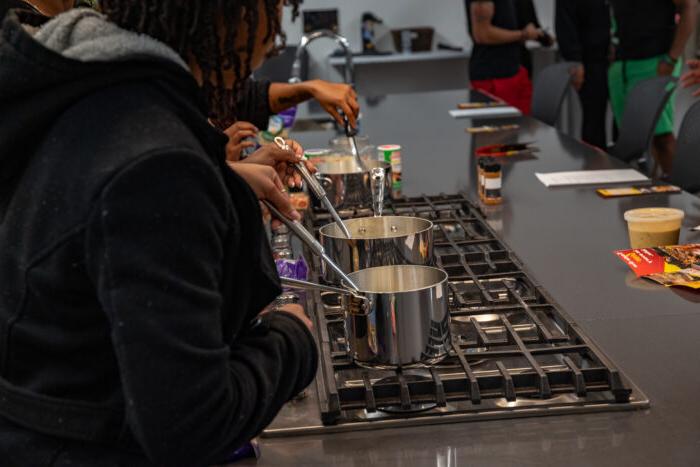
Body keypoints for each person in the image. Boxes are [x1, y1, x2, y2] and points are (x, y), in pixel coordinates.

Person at [0, 2, 319, 466]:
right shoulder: (155, 162)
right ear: (225, 16)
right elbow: (191, 424)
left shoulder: (96, 90)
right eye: (269, 10)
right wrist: (293, 338)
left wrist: (223, 183)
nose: (273, 36)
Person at [608, 0, 697, 175]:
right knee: (634, 139)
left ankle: (685, 195)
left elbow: (690, 5)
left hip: (655, 60)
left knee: (661, 137)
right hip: (623, 61)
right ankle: (659, 191)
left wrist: (671, 58)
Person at [465, 0, 543, 114]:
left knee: (523, 128)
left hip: (514, 71)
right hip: (493, 78)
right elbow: (482, 34)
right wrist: (523, 34)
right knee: (498, 128)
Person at [556, 0, 611, 149]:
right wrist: (575, 60)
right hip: (590, 61)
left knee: (624, 121)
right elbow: (565, 24)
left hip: (620, 59)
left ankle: (625, 166)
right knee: (593, 121)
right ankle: (594, 167)